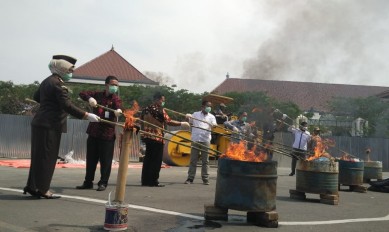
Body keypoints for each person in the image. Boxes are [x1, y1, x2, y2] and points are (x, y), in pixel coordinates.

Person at [24, 55, 100, 199]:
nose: (71, 72)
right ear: (62, 69)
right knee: (48, 157)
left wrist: (49, 104)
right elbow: (66, 105)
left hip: (41, 123)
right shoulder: (58, 84)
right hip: (50, 125)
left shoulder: (47, 81)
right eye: (70, 69)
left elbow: (37, 97)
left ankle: (33, 186)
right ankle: (43, 189)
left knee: (39, 156)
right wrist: (85, 115)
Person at [76, 76, 122, 191]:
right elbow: (82, 93)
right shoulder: (97, 95)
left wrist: (118, 112)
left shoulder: (116, 99)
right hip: (94, 132)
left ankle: (103, 182)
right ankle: (88, 182)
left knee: (105, 161)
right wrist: (90, 99)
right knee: (91, 159)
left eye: (116, 85)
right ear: (106, 85)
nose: (114, 87)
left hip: (107, 134)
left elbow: (119, 108)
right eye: (113, 84)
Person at [141, 92, 190, 187]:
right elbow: (169, 121)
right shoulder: (159, 110)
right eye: (162, 100)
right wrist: (181, 123)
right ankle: (153, 181)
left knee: (148, 159)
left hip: (147, 136)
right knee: (156, 161)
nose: (163, 102)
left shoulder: (145, 109)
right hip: (157, 137)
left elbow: (141, 121)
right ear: (157, 100)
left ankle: (145, 180)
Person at [185, 100, 217, 185]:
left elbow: (214, 125)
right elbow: (190, 122)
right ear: (202, 107)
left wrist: (213, 126)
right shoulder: (195, 114)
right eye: (207, 106)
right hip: (195, 139)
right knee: (193, 160)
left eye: (210, 106)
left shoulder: (212, 117)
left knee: (205, 161)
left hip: (205, 140)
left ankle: (205, 178)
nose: (209, 108)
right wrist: (187, 117)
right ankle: (190, 178)